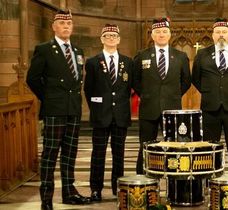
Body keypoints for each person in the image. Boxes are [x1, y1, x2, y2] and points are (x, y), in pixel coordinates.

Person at [26, 10, 91, 210]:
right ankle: (46, 198)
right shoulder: (44, 49)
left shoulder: (78, 51)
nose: (66, 26)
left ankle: (69, 192)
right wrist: (49, 98)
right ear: (54, 27)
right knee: (50, 154)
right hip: (54, 109)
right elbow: (32, 78)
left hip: (73, 108)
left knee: (70, 153)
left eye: (69, 23)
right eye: (61, 23)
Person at [192, 18, 228, 175]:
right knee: (208, 150)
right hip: (210, 109)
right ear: (212, 35)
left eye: (224, 32)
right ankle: (209, 182)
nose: (221, 35)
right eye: (217, 32)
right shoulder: (202, 55)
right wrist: (210, 92)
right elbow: (196, 79)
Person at [132, 17, 191, 174]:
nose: (161, 34)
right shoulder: (142, 55)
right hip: (149, 109)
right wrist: (146, 95)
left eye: (165, 31)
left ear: (170, 34)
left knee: (173, 148)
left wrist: (173, 95)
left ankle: (174, 186)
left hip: (172, 111)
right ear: (152, 35)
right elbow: (135, 80)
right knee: (145, 147)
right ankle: (142, 182)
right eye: (158, 32)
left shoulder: (180, 56)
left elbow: (186, 81)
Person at [84, 24, 134, 201]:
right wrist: (98, 108)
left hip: (120, 115)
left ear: (119, 39)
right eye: (107, 35)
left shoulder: (128, 62)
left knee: (118, 154)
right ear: (102, 39)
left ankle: (117, 187)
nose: (111, 38)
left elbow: (129, 88)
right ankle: (96, 189)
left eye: (114, 35)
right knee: (98, 154)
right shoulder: (92, 62)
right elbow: (88, 89)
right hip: (100, 115)